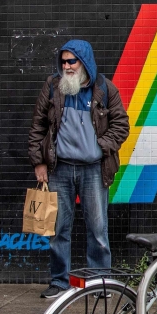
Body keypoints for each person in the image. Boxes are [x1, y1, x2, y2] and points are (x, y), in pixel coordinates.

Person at [28, 40, 129, 298]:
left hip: (94, 170)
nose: (66, 66)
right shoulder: (53, 87)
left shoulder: (104, 89)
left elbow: (121, 124)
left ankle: (99, 283)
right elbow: (38, 126)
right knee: (59, 229)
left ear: (84, 61)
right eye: (63, 61)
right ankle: (60, 282)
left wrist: (100, 146)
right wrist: (39, 162)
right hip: (59, 169)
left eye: (71, 61)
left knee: (97, 229)